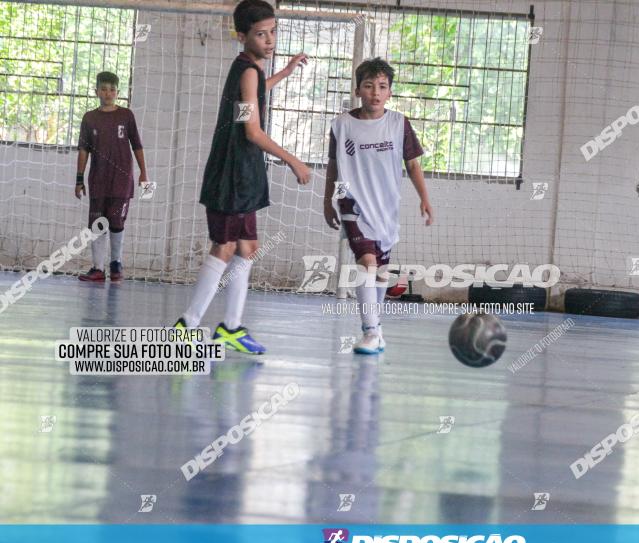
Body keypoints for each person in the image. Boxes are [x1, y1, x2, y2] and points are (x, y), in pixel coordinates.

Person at [174, 0, 311, 354]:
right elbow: (252, 131)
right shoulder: (248, 71)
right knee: (225, 246)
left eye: (273, 32)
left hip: (242, 171)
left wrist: (287, 72)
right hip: (234, 172)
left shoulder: (248, 69)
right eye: (260, 34)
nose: (269, 40)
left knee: (247, 248)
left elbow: (255, 93)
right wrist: (294, 161)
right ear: (242, 36)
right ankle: (188, 324)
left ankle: (231, 328)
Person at [323, 58, 433, 354]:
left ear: (390, 93)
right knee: (367, 263)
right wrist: (327, 200)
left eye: (382, 87)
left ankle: (377, 326)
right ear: (358, 89)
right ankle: (370, 331)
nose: (375, 92)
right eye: (369, 86)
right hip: (353, 205)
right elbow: (334, 166)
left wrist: (424, 197)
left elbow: (412, 164)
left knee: (382, 270)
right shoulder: (342, 125)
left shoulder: (399, 124)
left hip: (386, 207)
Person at [75, 71, 148, 282]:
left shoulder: (126, 115)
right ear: (96, 91)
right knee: (98, 223)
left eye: (112, 90)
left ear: (118, 92)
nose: (108, 93)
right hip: (98, 180)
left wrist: (144, 171)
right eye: (104, 89)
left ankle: (116, 263)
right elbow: (83, 151)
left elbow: (137, 145)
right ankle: (98, 268)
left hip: (122, 180)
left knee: (116, 222)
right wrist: (79, 179)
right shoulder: (89, 118)